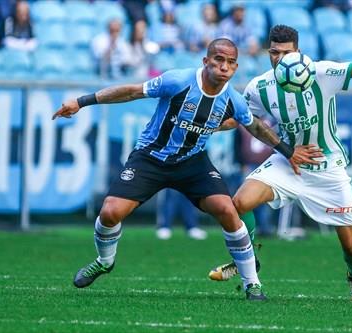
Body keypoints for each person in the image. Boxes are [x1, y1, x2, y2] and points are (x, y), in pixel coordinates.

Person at [52, 38, 322, 301]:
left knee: (228, 210)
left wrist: (289, 152)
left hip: (192, 162)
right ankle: (104, 261)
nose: (224, 67)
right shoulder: (177, 81)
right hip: (151, 158)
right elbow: (132, 91)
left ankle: (252, 284)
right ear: (206, 61)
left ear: (236, 68)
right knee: (110, 212)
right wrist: (81, 101)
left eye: (230, 62)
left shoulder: (234, 100)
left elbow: (256, 127)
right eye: (218, 60)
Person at [208, 25, 352, 302]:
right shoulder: (260, 87)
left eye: (287, 53)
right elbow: (241, 119)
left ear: (299, 52)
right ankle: (249, 259)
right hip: (288, 161)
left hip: (327, 167)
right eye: (274, 53)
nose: (280, 59)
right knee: (240, 202)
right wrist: (209, 124)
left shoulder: (321, 73)